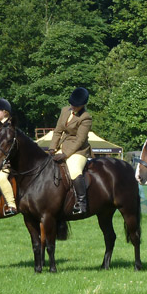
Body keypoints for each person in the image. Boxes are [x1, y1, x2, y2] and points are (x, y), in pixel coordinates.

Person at [48, 87, 92, 215]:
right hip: (62, 146)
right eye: (72, 104)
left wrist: (65, 155)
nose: (72, 107)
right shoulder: (64, 111)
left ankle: (81, 203)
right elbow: (58, 131)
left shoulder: (86, 118)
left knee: (74, 170)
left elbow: (79, 140)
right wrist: (52, 148)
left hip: (79, 150)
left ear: (83, 105)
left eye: (76, 106)